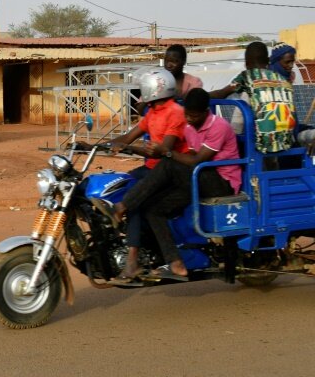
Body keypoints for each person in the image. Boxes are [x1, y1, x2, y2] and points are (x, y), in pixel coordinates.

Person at [104, 88, 242, 282]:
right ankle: (175, 261)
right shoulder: (189, 126)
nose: (189, 119)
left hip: (221, 181)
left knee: (168, 163)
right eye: (187, 114)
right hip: (199, 177)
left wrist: (166, 153)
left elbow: (198, 160)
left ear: (205, 112)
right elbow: (192, 158)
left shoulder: (219, 126)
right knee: (153, 209)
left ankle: (123, 206)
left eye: (193, 116)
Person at [80, 68, 189, 283]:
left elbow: (163, 149)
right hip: (151, 169)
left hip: (172, 172)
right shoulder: (153, 112)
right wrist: (95, 145)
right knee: (122, 186)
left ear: (152, 89)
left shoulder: (174, 112)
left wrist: (131, 149)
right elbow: (129, 136)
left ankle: (132, 260)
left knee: (136, 201)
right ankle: (117, 237)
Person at [211, 41, 296, 155]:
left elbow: (222, 93)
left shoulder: (248, 76)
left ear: (246, 64)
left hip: (262, 146)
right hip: (287, 143)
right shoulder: (283, 80)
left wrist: (198, 95)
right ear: (267, 61)